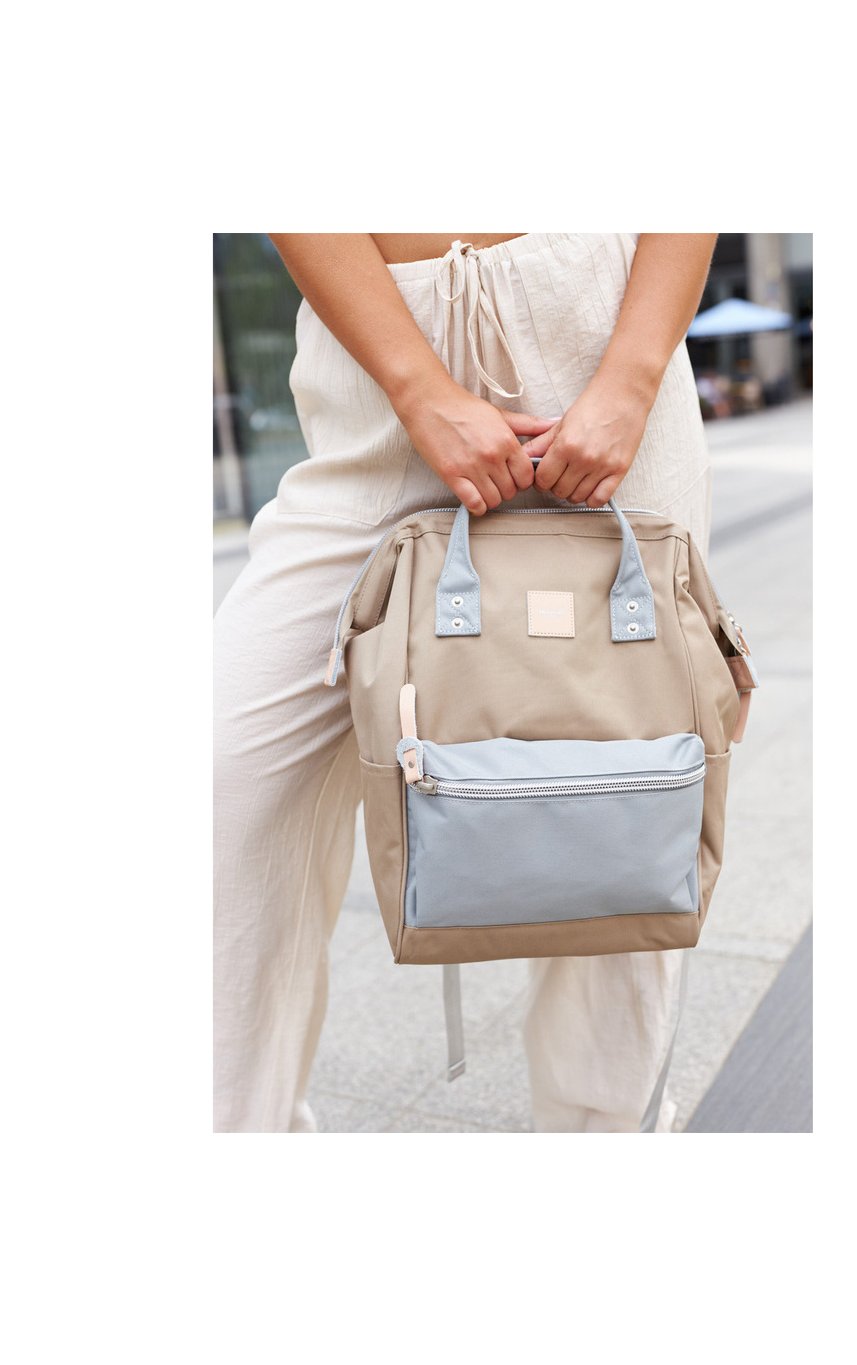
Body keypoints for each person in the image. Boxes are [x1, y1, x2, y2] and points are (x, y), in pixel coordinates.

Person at [214, 232, 719, 1132]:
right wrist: (418, 387)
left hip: (598, 343)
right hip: (378, 379)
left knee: (625, 806)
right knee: (227, 788)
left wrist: (632, 378)